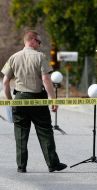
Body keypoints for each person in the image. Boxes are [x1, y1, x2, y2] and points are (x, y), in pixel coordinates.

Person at [1, 30, 67, 173]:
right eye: (38, 41)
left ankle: (21, 166)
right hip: (37, 99)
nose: (39, 44)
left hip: (19, 98)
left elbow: (5, 82)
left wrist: (10, 101)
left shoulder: (13, 57)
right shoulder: (40, 57)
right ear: (31, 40)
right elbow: (46, 79)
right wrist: (53, 100)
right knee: (45, 131)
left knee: (20, 133)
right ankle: (52, 164)